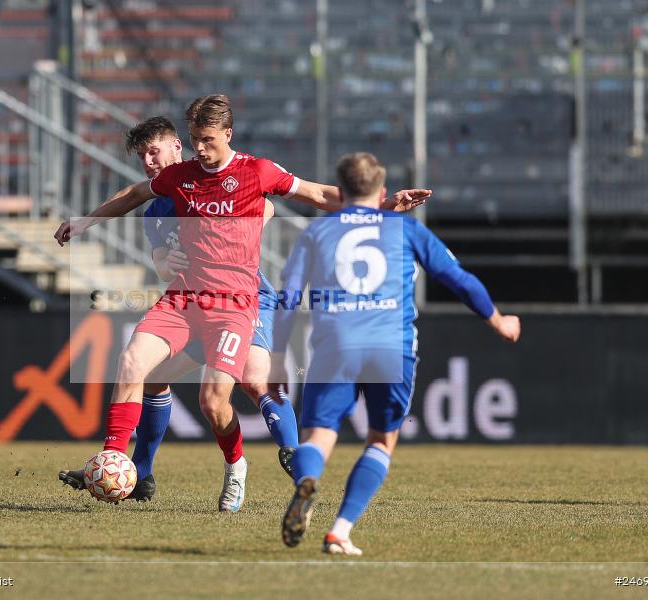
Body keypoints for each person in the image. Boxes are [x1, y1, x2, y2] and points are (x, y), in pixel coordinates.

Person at [55, 97, 430, 513]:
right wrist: (85, 221)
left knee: (214, 401)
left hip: (234, 304)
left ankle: (238, 466)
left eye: (208, 140)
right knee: (131, 364)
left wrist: (380, 205)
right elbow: (133, 194)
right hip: (183, 300)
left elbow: (319, 193)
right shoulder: (180, 177)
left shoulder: (257, 171)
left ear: (228, 135)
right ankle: (115, 458)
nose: (201, 148)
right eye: (196, 139)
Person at [272, 152, 520, 554]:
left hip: (335, 344)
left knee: (317, 436)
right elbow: (458, 279)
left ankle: (306, 483)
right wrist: (499, 320)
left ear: (341, 189)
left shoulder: (317, 233)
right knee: (381, 439)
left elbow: (287, 298)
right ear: (382, 191)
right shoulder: (404, 229)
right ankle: (340, 531)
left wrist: (277, 355)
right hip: (391, 346)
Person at [59, 116, 301, 503]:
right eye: (142, 156)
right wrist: (163, 261)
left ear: (177, 147)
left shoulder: (212, 179)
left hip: (245, 298)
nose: (149, 161)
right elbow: (157, 252)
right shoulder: (156, 210)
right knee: (150, 376)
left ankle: (292, 453)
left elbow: (265, 208)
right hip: (192, 303)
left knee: (255, 382)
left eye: (154, 150)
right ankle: (137, 471)